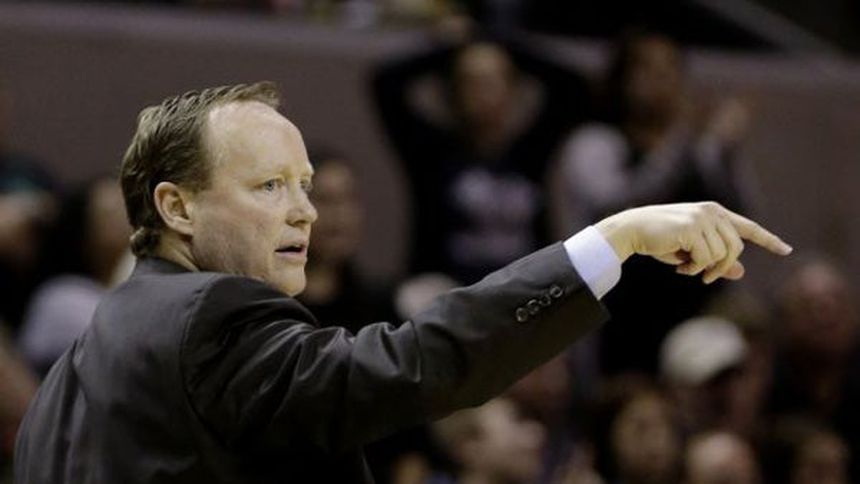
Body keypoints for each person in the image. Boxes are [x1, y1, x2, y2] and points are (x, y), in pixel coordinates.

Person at [14, 82, 790, 484]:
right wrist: (613, 240)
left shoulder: (68, 383)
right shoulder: (211, 317)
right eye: (269, 186)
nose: (306, 210)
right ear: (176, 207)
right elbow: (412, 362)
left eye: (304, 184)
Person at [555, 30, 751, 375]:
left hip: (693, 318)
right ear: (622, 79)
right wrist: (686, 140)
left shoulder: (696, 148)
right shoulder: (595, 143)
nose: (661, 80)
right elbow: (622, 207)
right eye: (647, 69)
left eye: (669, 69)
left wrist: (723, 152)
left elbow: (740, 215)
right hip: (619, 322)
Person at [17, 176, 131, 376]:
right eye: (113, 213)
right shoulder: (61, 297)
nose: (133, 219)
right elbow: (128, 347)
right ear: (85, 234)